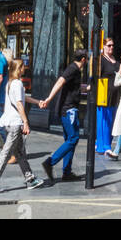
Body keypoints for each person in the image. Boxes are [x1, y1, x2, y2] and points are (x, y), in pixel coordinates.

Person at [0, 59, 43, 194]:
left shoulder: (11, 83)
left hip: (11, 122)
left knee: (20, 153)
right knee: (6, 153)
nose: (25, 68)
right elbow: (19, 104)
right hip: (15, 123)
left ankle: (30, 179)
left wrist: (37, 102)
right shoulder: (17, 84)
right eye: (23, 66)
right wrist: (26, 122)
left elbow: (23, 98)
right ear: (19, 68)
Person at [38, 50, 88, 183]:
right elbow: (60, 82)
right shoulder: (73, 69)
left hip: (68, 109)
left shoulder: (75, 70)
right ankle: (50, 162)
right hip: (69, 110)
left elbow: (73, 89)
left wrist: (86, 88)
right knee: (73, 139)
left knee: (70, 140)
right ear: (83, 59)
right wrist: (48, 99)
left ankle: (67, 172)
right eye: (87, 59)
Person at [95, 37, 119, 155]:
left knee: (111, 119)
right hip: (104, 94)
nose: (111, 47)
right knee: (103, 119)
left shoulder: (114, 59)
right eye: (109, 45)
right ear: (103, 46)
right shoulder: (101, 60)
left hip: (114, 94)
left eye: (112, 45)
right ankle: (103, 145)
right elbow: (96, 76)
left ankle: (106, 142)